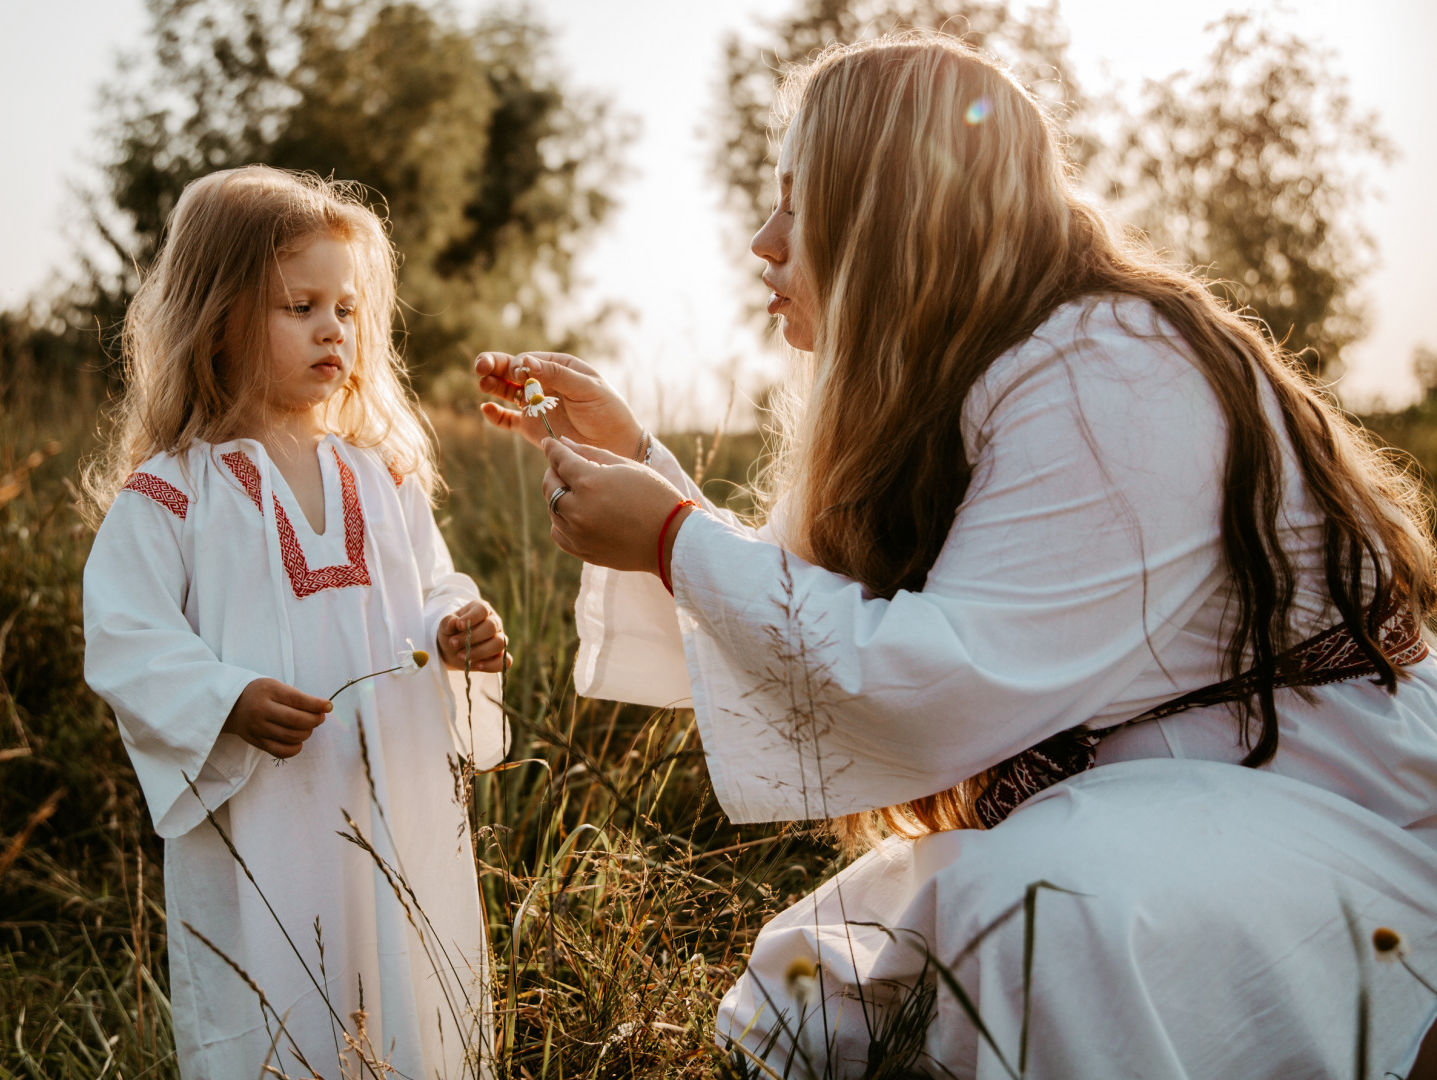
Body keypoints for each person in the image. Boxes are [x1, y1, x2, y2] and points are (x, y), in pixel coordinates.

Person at [476, 34, 1437, 1079]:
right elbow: (852, 617)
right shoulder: (1005, 359)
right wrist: (640, 471)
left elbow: (941, 679)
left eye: (798, 202)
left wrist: (667, 538)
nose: (763, 240)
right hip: (1187, 801)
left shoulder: (1104, 368)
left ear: (888, 211)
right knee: (802, 1002)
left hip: (1334, 807)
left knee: (1032, 911)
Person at [83, 166, 510, 1080]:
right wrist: (225, 698)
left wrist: (457, 629)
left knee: (404, 995)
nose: (332, 329)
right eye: (299, 305)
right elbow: (125, 634)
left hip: (387, 801)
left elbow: (432, 586)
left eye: (347, 309)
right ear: (220, 314)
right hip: (264, 819)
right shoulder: (175, 493)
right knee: (279, 1011)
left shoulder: (381, 479)